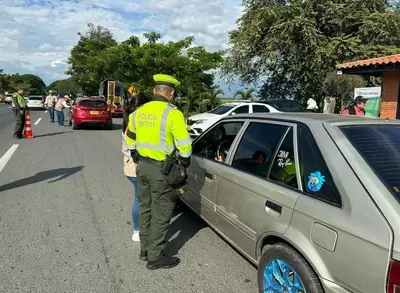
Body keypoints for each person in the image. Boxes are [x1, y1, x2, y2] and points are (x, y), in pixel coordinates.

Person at [125, 74, 192, 270]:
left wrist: (136, 154)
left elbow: (130, 140)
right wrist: (184, 162)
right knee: (161, 212)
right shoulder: (173, 113)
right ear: (171, 94)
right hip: (162, 169)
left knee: (145, 207)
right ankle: (155, 257)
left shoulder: (138, 112)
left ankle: (145, 250)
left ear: (154, 91)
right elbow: (184, 144)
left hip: (142, 167)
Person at [122, 94, 149, 242]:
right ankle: (138, 230)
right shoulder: (138, 120)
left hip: (129, 167)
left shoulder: (129, 118)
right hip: (136, 166)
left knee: (139, 198)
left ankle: (138, 229)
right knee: (141, 199)